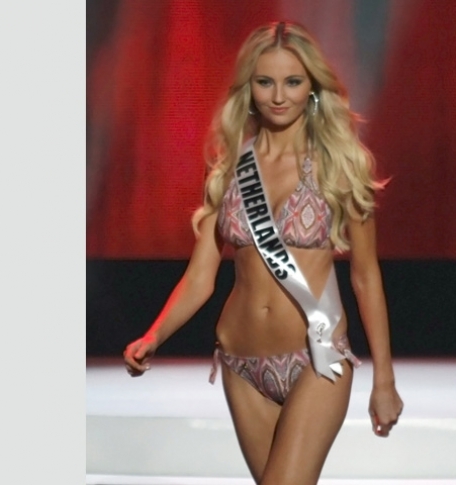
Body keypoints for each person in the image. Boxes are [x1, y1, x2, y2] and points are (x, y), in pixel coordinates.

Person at [123, 20, 404, 485]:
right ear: (248, 87)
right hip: (240, 362)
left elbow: (365, 277)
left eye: (292, 82)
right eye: (265, 82)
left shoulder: (339, 165)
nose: (278, 96)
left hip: (317, 357)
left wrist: (385, 381)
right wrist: (154, 336)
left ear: (312, 86)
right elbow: (200, 277)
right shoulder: (231, 165)